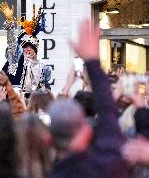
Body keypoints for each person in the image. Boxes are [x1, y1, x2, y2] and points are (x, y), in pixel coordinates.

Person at [46, 19, 131, 178]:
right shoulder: (109, 165)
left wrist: (67, 87)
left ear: (48, 139)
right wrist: (92, 63)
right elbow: (108, 117)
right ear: (86, 132)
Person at [0, 2, 51, 93]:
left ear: (35, 51)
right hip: (12, 101)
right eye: (25, 47)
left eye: (31, 47)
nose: (28, 49)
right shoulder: (15, 61)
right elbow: (12, 44)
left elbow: (46, 89)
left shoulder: (42, 68)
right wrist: (10, 22)